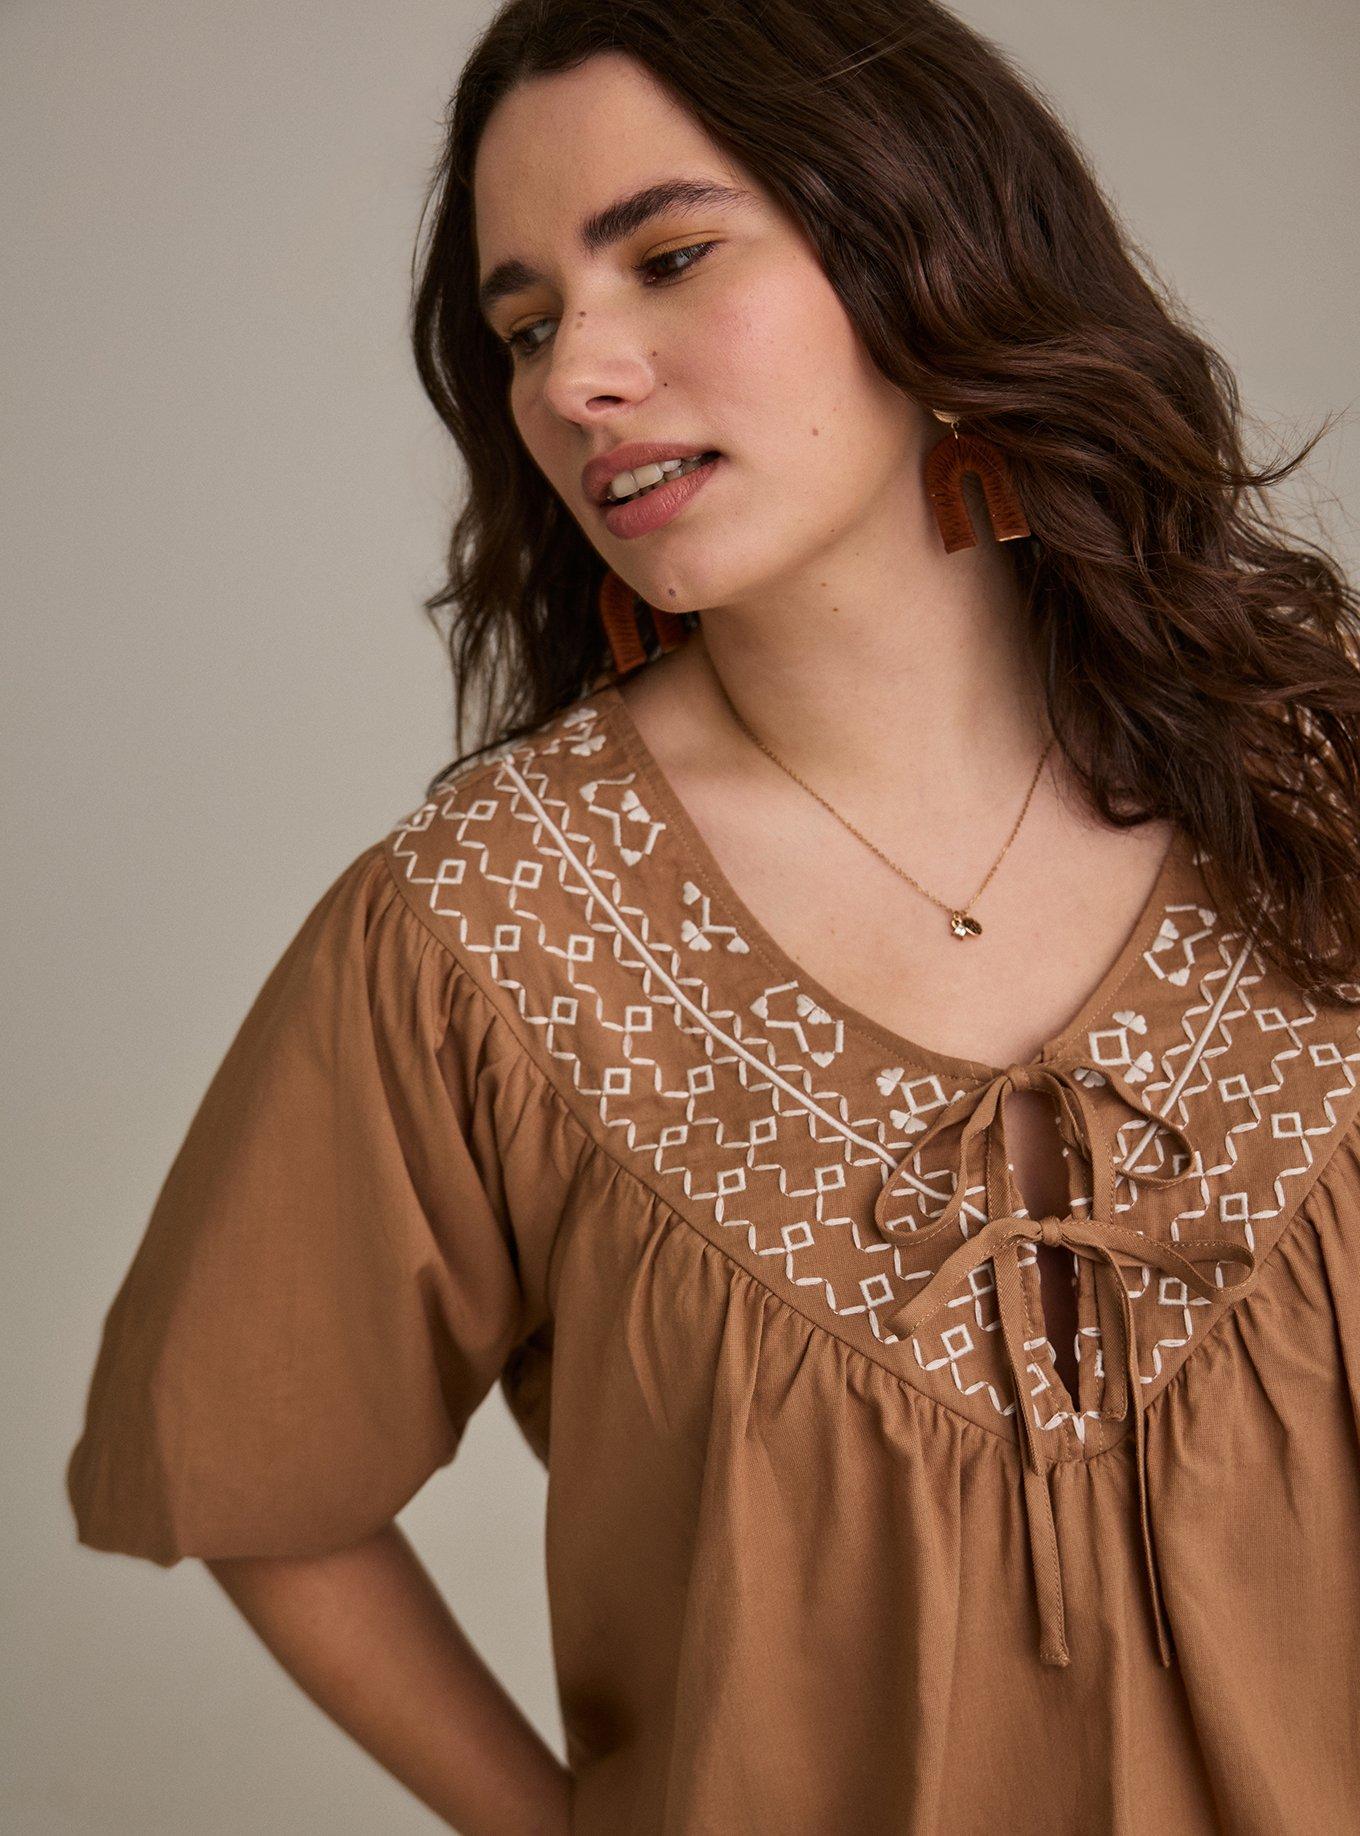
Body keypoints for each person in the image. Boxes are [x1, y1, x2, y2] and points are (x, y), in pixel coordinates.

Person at [67, 2, 1360, 1831]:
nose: (575, 380)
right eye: (526, 326)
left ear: (923, 246)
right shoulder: (489, 930)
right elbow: (251, 1473)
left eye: (669, 258)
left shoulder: (1319, 791)